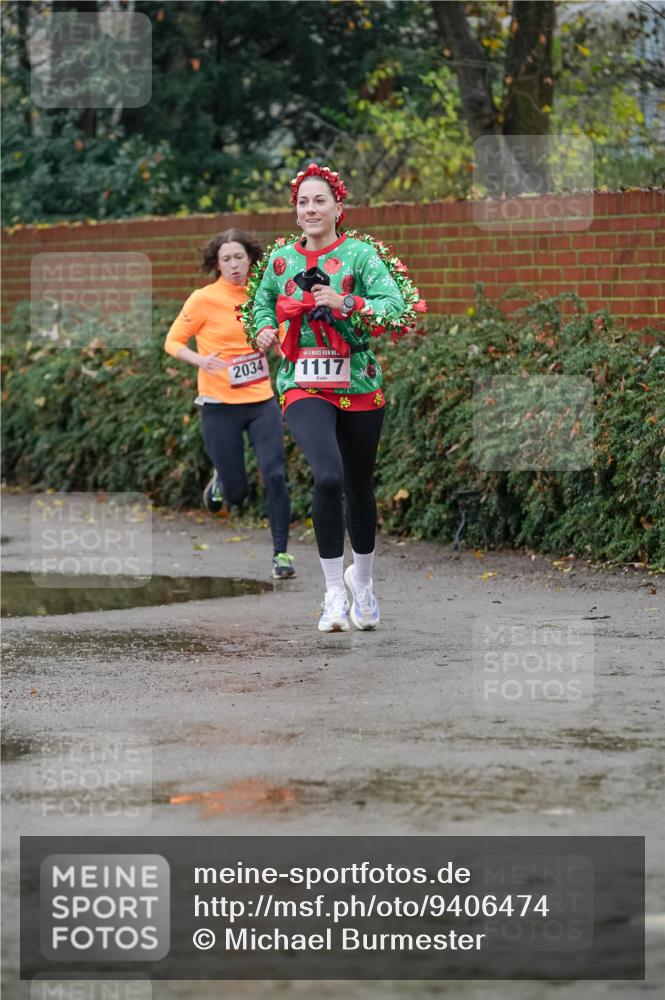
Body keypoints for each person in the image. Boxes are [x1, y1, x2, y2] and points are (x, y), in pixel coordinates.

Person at [244, 163, 421, 631]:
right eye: (303, 202)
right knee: (327, 477)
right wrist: (263, 328)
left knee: (359, 487)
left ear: (338, 208)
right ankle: (332, 594)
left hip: (359, 381)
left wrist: (347, 302)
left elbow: (396, 308)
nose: (310, 209)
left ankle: (362, 584)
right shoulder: (281, 260)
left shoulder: (361, 256)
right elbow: (260, 302)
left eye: (319, 200)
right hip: (303, 382)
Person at [164, 228, 295, 580]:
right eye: (226, 259)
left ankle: (281, 554)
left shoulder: (265, 295)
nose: (234, 265)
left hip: (260, 401)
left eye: (240, 257)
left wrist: (277, 343)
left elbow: (283, 336)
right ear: (217, 264)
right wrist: (200, 361)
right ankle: (222, 480)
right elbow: (172, 342)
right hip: (219, 404)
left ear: (251, 258)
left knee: (276, 474)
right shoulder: (202, 299)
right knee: (236, 495)